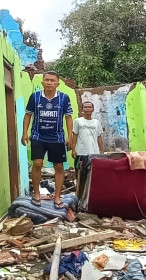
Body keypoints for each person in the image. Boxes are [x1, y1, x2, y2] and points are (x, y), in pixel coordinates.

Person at [21, 72, 74, 208]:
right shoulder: (35, 97)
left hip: (57, 137)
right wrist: (24, 133)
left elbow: (68, 117)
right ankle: (36, 193)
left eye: (52, 80)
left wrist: (70, 136)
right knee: (37, 163)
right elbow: (28, 115)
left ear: (57, 83)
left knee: (59, 166)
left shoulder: (64, 98)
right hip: (38, 136)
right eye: (47, 80)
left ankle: (57, 196)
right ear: (42, 82)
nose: (49, 82)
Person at [69, 101, 104, 198]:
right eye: (85, 107)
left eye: (89, 107)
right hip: (81, 153)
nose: (87, 109)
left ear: (93, 109)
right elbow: (75, 136)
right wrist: (73, 150)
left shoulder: (96, 122)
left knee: (94, 175)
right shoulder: (78, 121)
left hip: (94, 153)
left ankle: (92, 196)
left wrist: (101, 150)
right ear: (82, 110)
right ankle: (80, 196)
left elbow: (99, 137)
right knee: (80, 176)